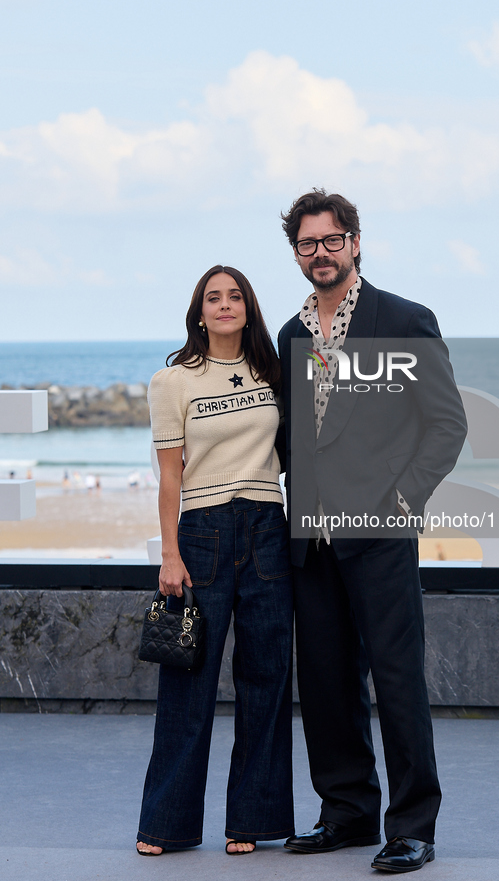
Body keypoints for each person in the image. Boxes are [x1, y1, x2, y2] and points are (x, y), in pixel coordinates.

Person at [278, 190, 467, 873]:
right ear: (295, 252)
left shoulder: (404, 320)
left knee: (395, 682)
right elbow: (300, 436)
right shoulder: (293, 334)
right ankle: (348, 812)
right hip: (310, 538)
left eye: (331, 240)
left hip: (379, 533)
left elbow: (446, 425)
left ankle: (413, 824)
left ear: (355, 241)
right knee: (325, 682)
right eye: (307, 244)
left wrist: (399, 499)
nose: (320, 253)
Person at [136, 265, 294, 857]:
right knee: (189, 682)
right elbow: (169, 475)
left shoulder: (271, 371)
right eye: (213, 298)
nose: (224, 305)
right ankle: (165, 825)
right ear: (199, 312)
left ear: (248, 308)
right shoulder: (173, 380)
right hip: (202, 532)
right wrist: (170, 553)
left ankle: (249, 822)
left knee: (267, 678)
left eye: (234, 296)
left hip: (266, 526)